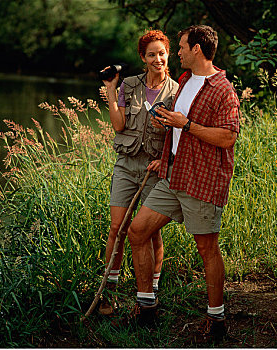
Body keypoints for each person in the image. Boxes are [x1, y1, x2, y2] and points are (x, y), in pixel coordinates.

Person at [126, 25, 240, 343]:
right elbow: (181, 129)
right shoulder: (187, 80)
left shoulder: (223, 89)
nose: (177, 52)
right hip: (174, 173)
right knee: (137, 232)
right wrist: (168, 137)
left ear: (198, 50)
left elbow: (228, 136)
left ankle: (216, 321)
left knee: (207, 248)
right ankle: (147, 308)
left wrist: (186, 125)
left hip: (202, 180)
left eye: (182, 47)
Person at [99, 30, 179, 315]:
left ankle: (152, 287)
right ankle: (110, 290)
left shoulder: (177, 91)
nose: (158, 59)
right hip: (126, 165)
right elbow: (119, 126)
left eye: (162, 53)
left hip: (154, 168)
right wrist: (111, 90)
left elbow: (179, 135)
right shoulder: (130, 86)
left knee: (149, 232)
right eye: (151, 55)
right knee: (116, 228)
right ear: (142, 58)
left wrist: (165, 156)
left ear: (168, 54)